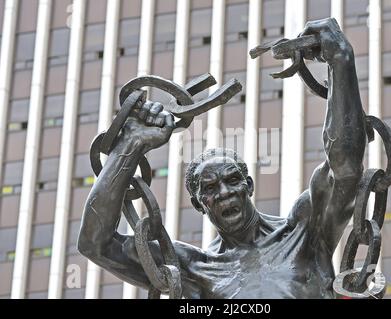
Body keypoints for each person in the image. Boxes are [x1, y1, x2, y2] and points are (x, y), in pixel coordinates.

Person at [78, 18, 366, 298]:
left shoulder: (304, 232)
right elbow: (96, 245)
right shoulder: (193, 268)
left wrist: (341, 61)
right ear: (198, 205)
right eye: (211, 188)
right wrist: (131, 144)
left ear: (249, 185)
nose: (225, 192)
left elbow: (345, 169)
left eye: (231, 180)